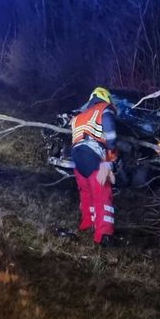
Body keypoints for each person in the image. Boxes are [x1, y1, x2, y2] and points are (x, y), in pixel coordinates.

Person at [69, 87, 118, 246]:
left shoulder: (80, 116)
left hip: (77, 156)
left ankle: (87, 224)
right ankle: (104, 235)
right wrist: (111, 151)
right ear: (106, 98)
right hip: (94, 155)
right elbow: (110, 131)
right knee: (102, 193)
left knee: (86, 192)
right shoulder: (104, 109)